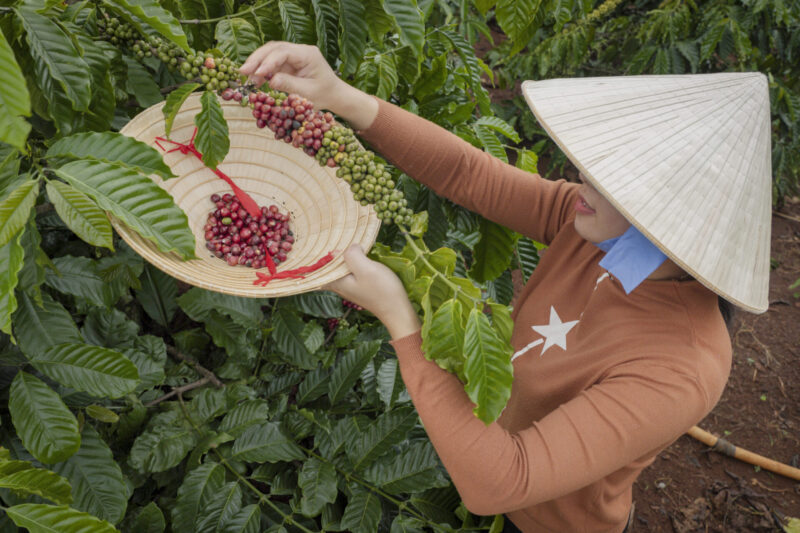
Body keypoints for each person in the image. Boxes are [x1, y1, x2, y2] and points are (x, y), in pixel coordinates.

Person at [240, 43, 772, 533]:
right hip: (476, 443)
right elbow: (472, 174)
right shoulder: (598, 227)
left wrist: (402, 321)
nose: (578, 177)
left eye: (607, 179)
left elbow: (500, 483)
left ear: (666, 221)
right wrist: (340, 96)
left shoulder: (681, 368)